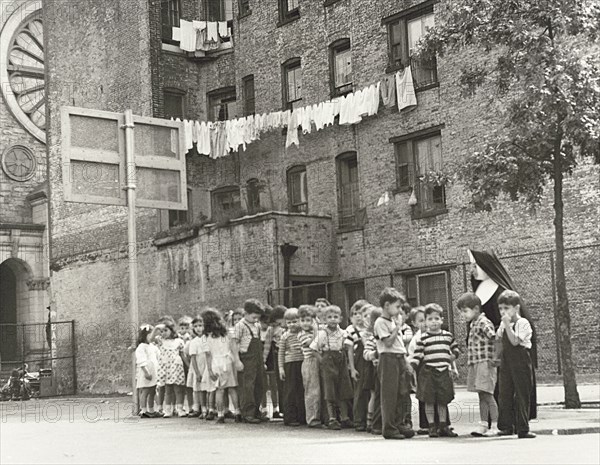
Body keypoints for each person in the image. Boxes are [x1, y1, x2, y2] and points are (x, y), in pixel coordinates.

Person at [468, 249, 538, 424]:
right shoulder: (480, 289)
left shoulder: (501, 290)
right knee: (499, 388)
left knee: (511, 386)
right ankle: (500, 421)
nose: (473, 270)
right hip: (488, 348)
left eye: (475, 266)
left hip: (507, 344)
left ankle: (517, 420)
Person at [410, 303, 459, 438]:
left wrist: (453, 356)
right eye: (430, 319)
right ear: (426, 321)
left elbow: (455, 348)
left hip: (443, 372)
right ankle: (431, 426)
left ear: (442, 320)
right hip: (429, 373)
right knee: (429, 401)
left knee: (442, 401)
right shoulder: (423, 338)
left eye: (437, 318)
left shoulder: (447, 336)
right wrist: (411, 367)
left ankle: (443, 425)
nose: (434, 322)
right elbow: (418, 355)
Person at [373, 288, 414, 440]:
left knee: (402, 392)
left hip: (399, 357)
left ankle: (399, 423)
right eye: (397, 307)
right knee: (389, 394)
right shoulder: (380, 322)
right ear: (387, 305)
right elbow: (388, 342)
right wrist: (398, 327)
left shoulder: (391, 321)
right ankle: (388, 427)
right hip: (388, 358)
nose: (398, 311)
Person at [457, 292, 499, 437]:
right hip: (475, 363)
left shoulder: (483, 322)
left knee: (488, 394)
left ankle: (495, 425)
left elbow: (494, 338)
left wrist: (495, 358)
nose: (463, 315)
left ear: (476, 309)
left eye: (465, 311)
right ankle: (483, 424)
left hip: (484, 363)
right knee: (481, 395)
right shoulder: (473, 323)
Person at [496, 290, 536, 439]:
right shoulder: (504, 323)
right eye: (501, 309)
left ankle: (523, 428)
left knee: (522, 393)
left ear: (516, 308)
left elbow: (514, 341)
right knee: (504, 392)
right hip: (507, 360)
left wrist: (507, 326)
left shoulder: (522, 323)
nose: (503, 312)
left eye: (506, 308)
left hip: (520, 359)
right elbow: (499, 338)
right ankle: (506, 426)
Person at [310, 305, 354, 430]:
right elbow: (313, 349)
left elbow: (349, 346)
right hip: (328, 362)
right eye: (329, 317)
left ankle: (345, 417)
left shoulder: (343, 332)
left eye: (335, 317)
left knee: (343, 389)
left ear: (340, 319)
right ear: (324, 319)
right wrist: (322, 361)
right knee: (330, 391)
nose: (333, 320)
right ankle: (332, 418)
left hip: (341, 361)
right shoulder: (322, 333)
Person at [201, 308, 242, 423]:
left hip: (215, 362)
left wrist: (209, 370)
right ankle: (238, 412)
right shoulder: (227, 332)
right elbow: (233, 347)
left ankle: (220, 414)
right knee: (232, 388)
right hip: (228, 361)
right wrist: (236, 360)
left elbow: (208, 354)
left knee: (219, 390)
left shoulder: (205, 337)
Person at [233, 299, 268, 424]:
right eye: (253, 317)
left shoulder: (257, 325)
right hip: (246, 358)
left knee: (259, 384)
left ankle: (256, 411)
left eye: (257, 318)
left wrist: (262, 360)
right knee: (247, 386)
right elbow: (234, 343)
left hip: (257, 358)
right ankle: (247, 412)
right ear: (246, 313)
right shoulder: (240, 326)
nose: (256, 319)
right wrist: (237, 361)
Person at [344, 299, 370, 431]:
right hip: (359, 364)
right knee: (359, 392)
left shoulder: (370, 330)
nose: (359, 317)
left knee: (370, 392)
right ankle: (359, 420)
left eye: (362, 313)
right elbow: (349, 351)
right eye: (355, 314)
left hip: (370, 364)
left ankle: (369, 419)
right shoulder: (352, 331)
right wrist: (352, 368)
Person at [278, 307, 306, 426]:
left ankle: (302, 416)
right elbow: (281, 352)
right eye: (289, 322)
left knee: (302, 389)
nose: (292, 325)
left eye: (295, 321)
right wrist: (281, 368)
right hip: (290, 364)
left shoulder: (303, 333)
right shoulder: (285, 336)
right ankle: (290, 417)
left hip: (302, 362)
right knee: (290, 390)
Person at [156, 320, 186, 417]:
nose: (163, 333)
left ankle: (180, 409)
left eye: (165, 330)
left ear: (172, 331)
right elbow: (152, 338)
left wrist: (188, 366)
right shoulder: (161, 341)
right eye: (161, 331)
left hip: (176, 368)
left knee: (178, 389)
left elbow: (183, 355)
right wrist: (156, 328)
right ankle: (168, 410)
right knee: (168, 390)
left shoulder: (178, 341)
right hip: (166, 369)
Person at [298, 305, 321, 428]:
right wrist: (316, 330)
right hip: (310, 362)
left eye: (308, 320)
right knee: (312, 391)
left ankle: (319, 416)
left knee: (319, 391)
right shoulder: (302, 334)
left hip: (318, 361)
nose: (305, 323)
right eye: (302, 320)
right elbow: (312, 344)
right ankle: (312, 418)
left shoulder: (315, 332)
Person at [263, 305, 286, 419]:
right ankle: (280, 409)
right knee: (279, 383)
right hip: (278, 355)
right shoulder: (271, 330)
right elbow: (267, 346)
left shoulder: (289, 326)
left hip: (290, 356)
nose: (276, 325)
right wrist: (263, 359)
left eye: (277, 323)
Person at [361, 305, 381, 434]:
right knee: (374, 395)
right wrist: (374, 355)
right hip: (374, 370)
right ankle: (370, 421)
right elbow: (366, 354)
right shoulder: (372, 338)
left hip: (385, 369)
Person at [135, 324, 161, 418]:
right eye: (150, 335)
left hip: (153, 372)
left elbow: (158, 355)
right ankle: (144, 410)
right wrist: (146, 372)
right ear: (144, 336)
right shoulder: (141, 347)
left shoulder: (152, 346)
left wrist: (158, 344)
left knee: (152, 391)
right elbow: (141, 360)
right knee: (145, 391)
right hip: (147, 373)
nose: (153, 337)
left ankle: (151, 410)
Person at [187, 316, 207, 418]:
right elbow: (193, 358)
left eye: (200, 325)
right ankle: (199, 408)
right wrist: (197, 372)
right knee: (198, 388)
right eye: (196, 326)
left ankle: (210, 408)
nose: (198, 328)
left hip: (207, 366)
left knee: (208, 388)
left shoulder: (208, 338)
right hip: (198, 367)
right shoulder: (194, 342)